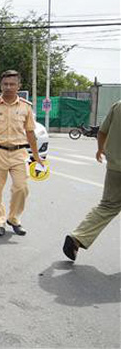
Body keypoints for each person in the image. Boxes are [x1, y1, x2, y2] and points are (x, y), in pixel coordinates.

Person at [0, 70, 43, 237]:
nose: (8, 87)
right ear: (1, 85)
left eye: (12, 84)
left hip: (19, 152)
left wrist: (36, 156)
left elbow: (30, 133)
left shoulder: (26, 107)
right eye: (5, 84)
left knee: (22, 187)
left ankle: (13, 218)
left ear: (19, 86)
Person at [63, 99, 121, 261]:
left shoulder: (117, 105)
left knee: (107, 206)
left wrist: (100, 150)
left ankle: (77, 237)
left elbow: (102, 131)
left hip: (115, 167)